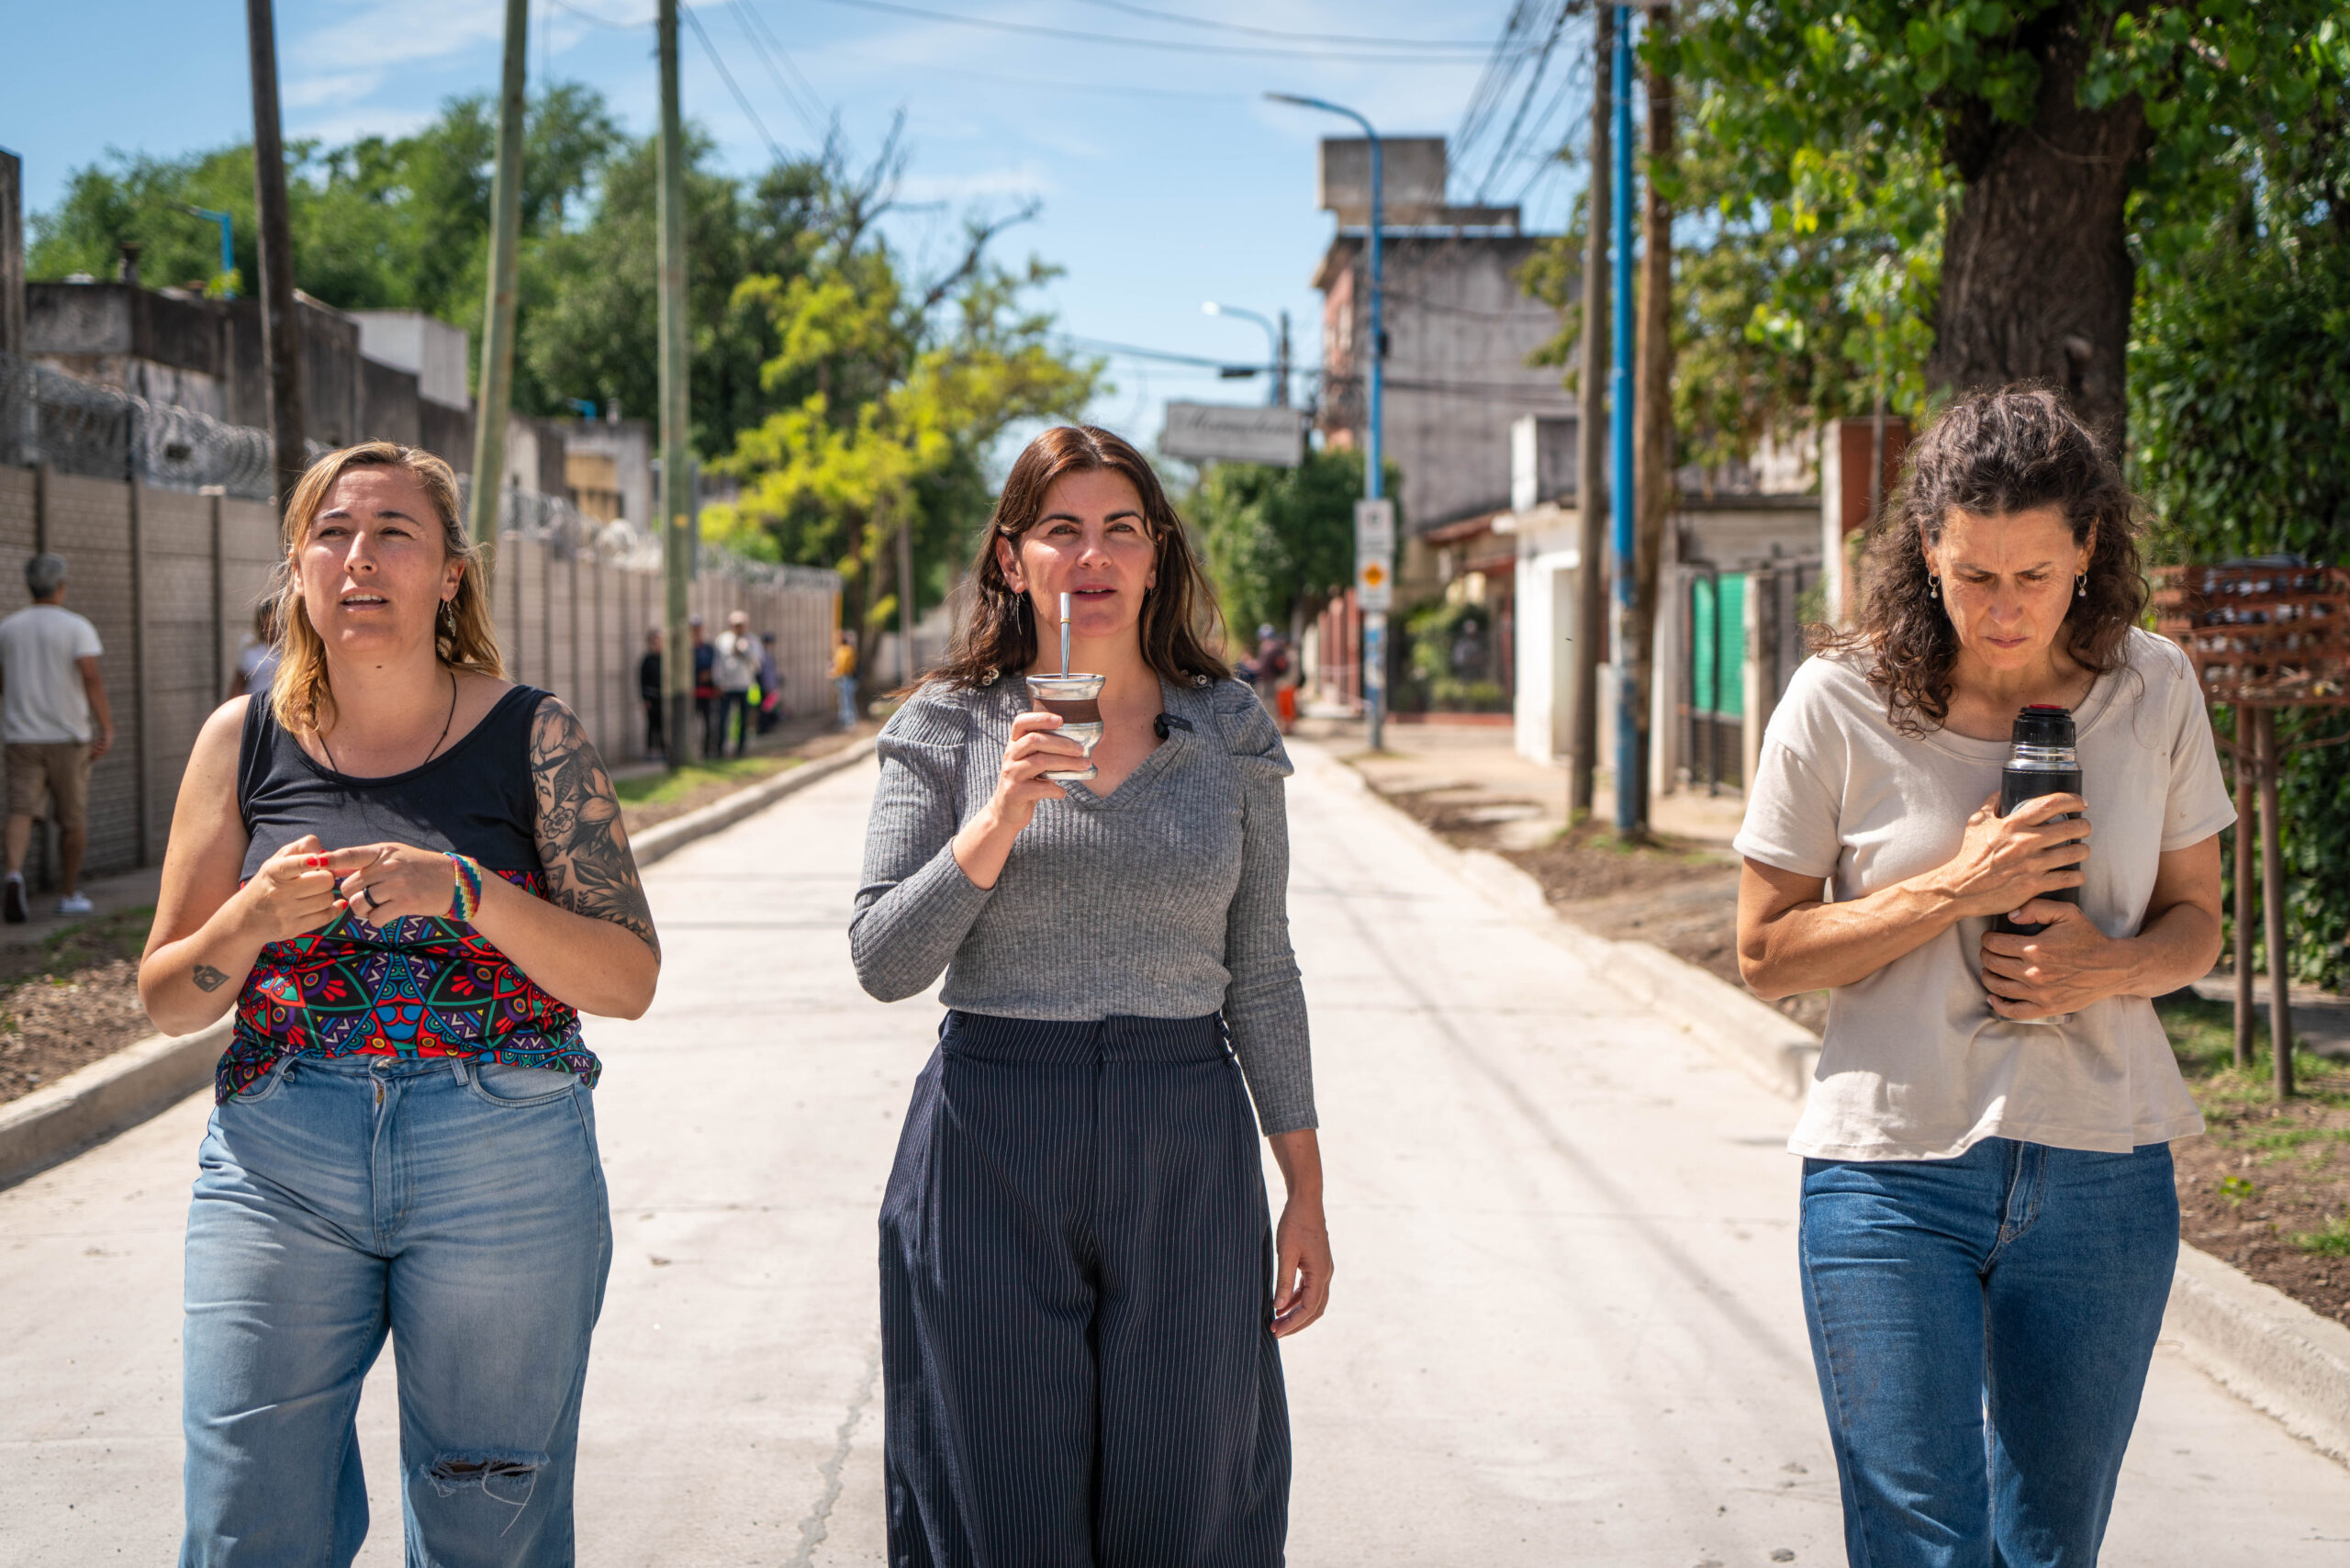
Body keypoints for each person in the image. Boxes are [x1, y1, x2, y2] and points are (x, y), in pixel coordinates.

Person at [1733, 388, 2232, 1568]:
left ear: (2088, 550)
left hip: (2102, 1178)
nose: (2002, 612)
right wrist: (1953, 885)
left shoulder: (2153, 687)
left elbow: (2197, 924)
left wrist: (2100, 967)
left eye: (2034, 575)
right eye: (1971, 575)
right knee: (1925, 1546)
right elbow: (1763, 951)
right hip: (1889, 1181)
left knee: (2050, 1549)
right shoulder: (1840, 700)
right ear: (1925, 548)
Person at [139, 442, 661, 1564]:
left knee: (489, 1517)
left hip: (503, 1152)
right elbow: (168, 998)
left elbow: (627, 979)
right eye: (331, 532)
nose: (358, 558)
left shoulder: (537, 736)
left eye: (393, 534)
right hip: (280, 1153)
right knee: (245, 1515)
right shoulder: (242, 740)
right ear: (296, 565)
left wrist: (466, 894)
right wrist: (249, 921)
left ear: (450, 575)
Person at [852, 424, 1331, 1566]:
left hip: (1184, 1131)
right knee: (998, 1501)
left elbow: (1261, 964)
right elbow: (883, 959)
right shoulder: (947, 724)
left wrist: (1302, 1185)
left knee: (1190, 1495)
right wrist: (1001, 810)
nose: (1093, 555)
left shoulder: (1226, 725)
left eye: (1122, 528)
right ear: (1013, 559)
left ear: (1157, 555)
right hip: (991, 1132)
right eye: (1061, 530)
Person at [1, 553, 114, 922]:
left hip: (21, 737)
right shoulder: (75, 626)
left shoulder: (8, 628)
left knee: (20, 810)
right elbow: (91, 676)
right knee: (72, 819)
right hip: (68, 737)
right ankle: (67, 894)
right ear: (61, 587)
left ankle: (14, 875)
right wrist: (106, 727)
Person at [715, 610, 759, 759]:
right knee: (723, 718)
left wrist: (745, 650)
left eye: (741, 625)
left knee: (744, 718)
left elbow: (758, 663)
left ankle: (740, 748)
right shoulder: (723, 640)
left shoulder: (752, 640)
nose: (739, 628)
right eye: (736, 625)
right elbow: (718, 663)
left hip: (745, 686)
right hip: (727, 686)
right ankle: (720, 749)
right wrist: (718, 682)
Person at [228, 602, 279, 700]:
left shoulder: (290, 648)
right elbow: (239, 683)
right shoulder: (249, 646)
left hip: (279, 705)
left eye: (273, 623)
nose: (269, 629)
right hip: (253, 704)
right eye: (265, 624)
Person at [691, 614, 717, 759]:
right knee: (691, 726)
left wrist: (710, 675)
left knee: (709, 723)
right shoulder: (687, 649)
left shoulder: (708, 649)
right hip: (692, 693)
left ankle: (707, 751)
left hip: (707, 692)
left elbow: (716, 667)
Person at [640, 625, 666, 761]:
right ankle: (650, 750)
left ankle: (662, 749)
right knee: (652, 725)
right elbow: (642, 681)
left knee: (662, 725)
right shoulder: (647, 660)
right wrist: (645, 698)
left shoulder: (665, 659)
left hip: (663, 697)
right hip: (651, 697)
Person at [755, 632, 784, 734]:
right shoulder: (764, 655)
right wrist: (769, 687)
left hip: (767, 686)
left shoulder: (766, 654)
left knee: (768, 708)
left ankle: (765, 728)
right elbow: (766, 674)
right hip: (766, 687)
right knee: (765, 709)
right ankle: (763, 729)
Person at [831, 628, 858, 731]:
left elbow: (845, 666)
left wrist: (836, 672)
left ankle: (850, 722)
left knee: (848, 700)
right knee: (842, 701)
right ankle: (843, 720)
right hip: (841, 678)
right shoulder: (840, 650)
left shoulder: (847, 650)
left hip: (847, 678)